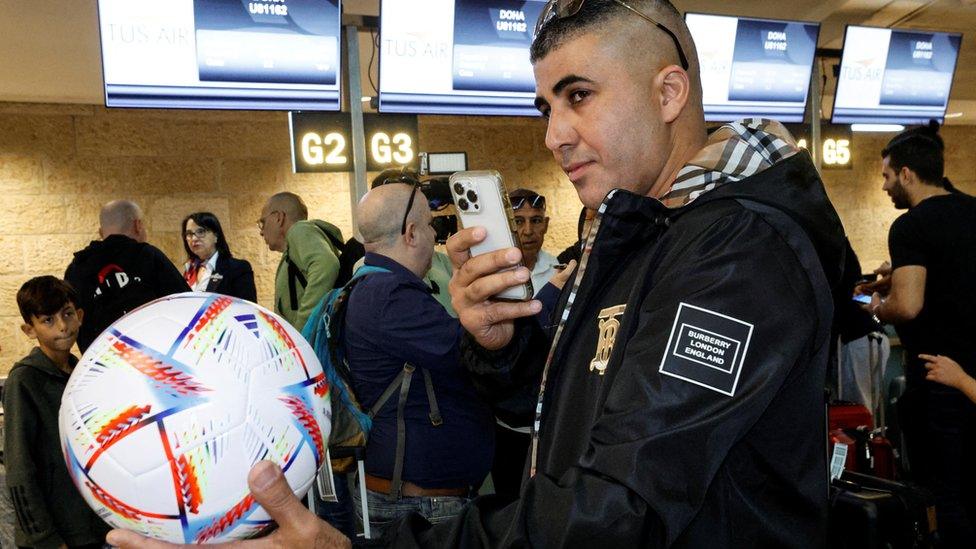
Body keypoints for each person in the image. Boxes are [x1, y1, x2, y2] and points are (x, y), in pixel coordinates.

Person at [107, 1, 847, 546]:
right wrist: (502, 345)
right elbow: (577, 419)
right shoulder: (645, 233)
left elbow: (623, 505)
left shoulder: (737, 249)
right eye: (546, 105)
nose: (555, 134)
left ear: (668, 93)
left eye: (579, 96)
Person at [344, 183, 495, 535]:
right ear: (411, 233)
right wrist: (547, 297)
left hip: (411, 494)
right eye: (431, 225)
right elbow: (470, 351)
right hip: (419, 505)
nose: (435, 236)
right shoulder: (390, 295)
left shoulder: (372, 288)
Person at [856, 123, 976, 546]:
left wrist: (878, 307)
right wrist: (891, 281)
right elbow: (953, 279)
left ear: (907, 174)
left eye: (888, 176)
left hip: (937, 379)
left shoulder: (910, 226)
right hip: (972, 377)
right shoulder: (971, 209)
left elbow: (908, 307)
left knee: (942, 494)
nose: (886, 186)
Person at [4, 276, 109, 549]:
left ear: (80, 316)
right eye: (47, 320)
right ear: (29, 329)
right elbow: (19, 469)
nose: (62, 327)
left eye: (67, 314)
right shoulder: (24, 380)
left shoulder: (86, 374)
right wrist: (46, 539)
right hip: (54, 538)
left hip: (93, 530)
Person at [64, 199, 189, 352]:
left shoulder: (76, 268)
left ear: (101, 233)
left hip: (100, 364)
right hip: (152, 361)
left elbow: (71, 321)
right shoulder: (148, 256)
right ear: (138, 225)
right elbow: (186, 304)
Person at [258, 192, 343, 331]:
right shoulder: (296, 245)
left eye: (263, 222)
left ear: (279, 217)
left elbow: (326, 265)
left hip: (308, 346)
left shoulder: (299, 230)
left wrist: (303, 328)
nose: (261, 232)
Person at [181, 211, 257, 302]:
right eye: (189, 234)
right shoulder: (189, 271)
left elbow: (247, 309)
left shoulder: (237, 269)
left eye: (201, 232)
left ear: (216, 236)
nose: (194, 238)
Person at [508, 189, 559, 295]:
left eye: (536, 221)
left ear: (545, 225)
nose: (528, 231)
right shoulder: (493, 271)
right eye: (518, 221)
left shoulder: (554, 267)